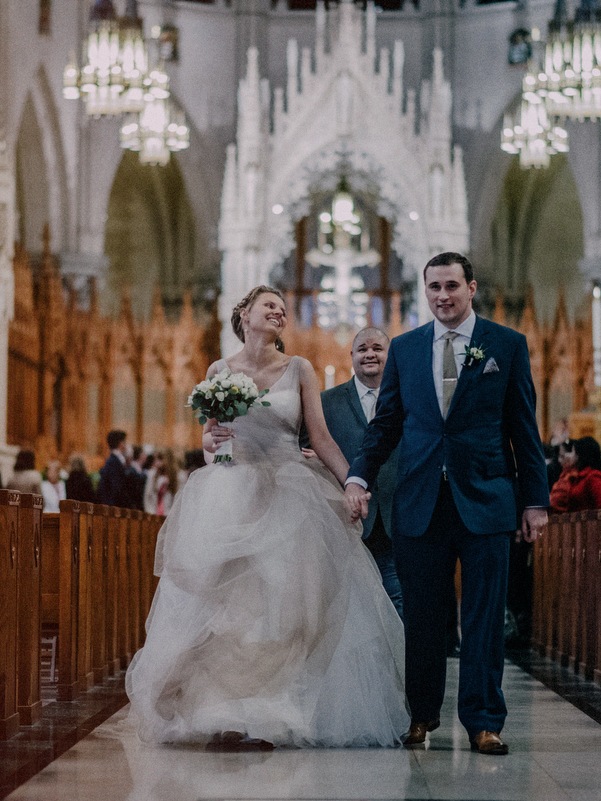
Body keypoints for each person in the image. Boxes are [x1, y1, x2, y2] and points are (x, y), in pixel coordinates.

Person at [126, 285, 407, 749]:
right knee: (228, 609)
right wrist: (210, 445)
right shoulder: (220, 370)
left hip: (290, 493)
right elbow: (210, 439)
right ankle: (222, 711)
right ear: (245, 314)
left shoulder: (299, 368)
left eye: (282, 308)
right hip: (231, 491)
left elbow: (320, 437)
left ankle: (272, 709)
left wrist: (354, 483)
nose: (278, 312)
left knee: (282, 608)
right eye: (268, 306)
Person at [344, 252, 549, 756]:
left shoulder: (507, 345)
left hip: (486, 498)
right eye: (434, 287)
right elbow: (386, 424)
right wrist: (357, 474)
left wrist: (535, 501)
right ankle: (421, 715)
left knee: (482, 616)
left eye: (452, 286)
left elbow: (525, 431)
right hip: (420, 501)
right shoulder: (408, 349)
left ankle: (484, 721)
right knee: (423, 617)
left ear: (471, 287)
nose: (443, 296)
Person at [319, 326, 404, 618]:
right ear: (351, 355)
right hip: (344, 519)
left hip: (396, 515)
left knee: (398, 602)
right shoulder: (325, 402)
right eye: (363, 349)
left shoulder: (408, 398)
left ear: (390, 355)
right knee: (349, 608)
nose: (370, 354)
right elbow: (307, 447)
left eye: (378, 348)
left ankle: (398, 664)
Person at [549, 437, 601, 513]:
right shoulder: (576, 475)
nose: (569, 456)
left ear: (580, 454)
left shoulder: (593, 476)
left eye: (573, 452)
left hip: (590, 522)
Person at [98, 430, 141, 509]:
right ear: (121, 444)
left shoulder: (114, 461)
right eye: (125, 442)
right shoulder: (114, 462)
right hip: (114, 508)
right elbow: (117, 488)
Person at [151, 449, 183, 515]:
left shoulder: (179, 476)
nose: (157, 463)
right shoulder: (153, 475)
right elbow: (148, 496)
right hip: (154, 515)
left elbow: (180, 499)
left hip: (170, 515)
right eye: (155, 459)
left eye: (160, 459)